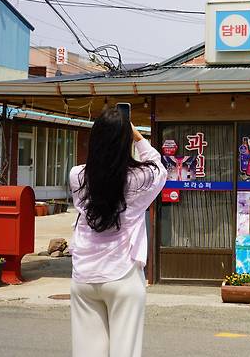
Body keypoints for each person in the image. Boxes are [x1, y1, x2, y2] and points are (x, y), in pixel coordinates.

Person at [69, 108, 167, 357]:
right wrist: (138, 137)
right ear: (125, 142)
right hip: (123, 275)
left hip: (84, 275)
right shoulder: (140, 178)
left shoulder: (78, 176)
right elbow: (160, 168)